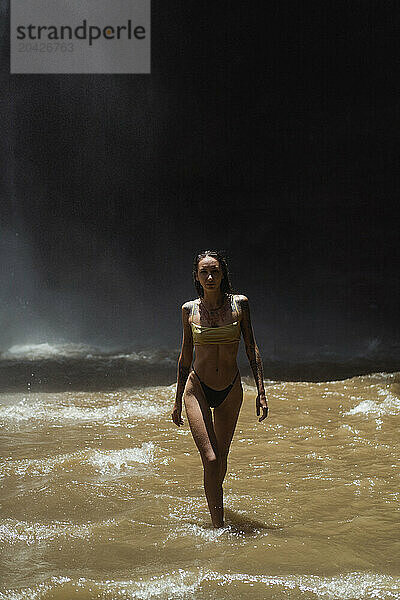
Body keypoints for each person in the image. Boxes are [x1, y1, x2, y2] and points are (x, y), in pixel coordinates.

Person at [171, 250, 268, 528]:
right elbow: (185, 355)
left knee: (221, 460)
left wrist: (261, 392)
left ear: (223, 273)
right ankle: (218, 528)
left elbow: (251, 347)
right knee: (212, 459)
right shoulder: (189, 310)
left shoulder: (240, 305)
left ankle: (213, 501)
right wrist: (177, 399)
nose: (210, 277)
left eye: (215, 271)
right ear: (197, 277)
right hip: (197, 388)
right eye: (204, 272)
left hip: (230, 389)